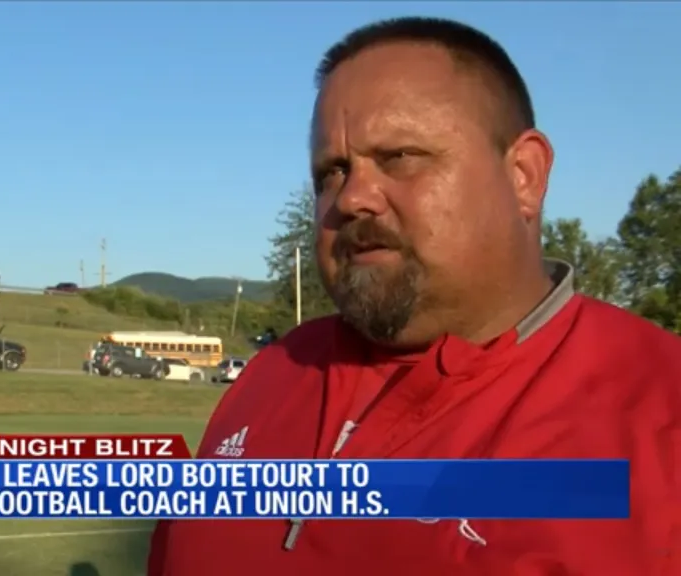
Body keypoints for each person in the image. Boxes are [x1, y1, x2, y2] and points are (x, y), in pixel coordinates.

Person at [147, 16, 681, 576]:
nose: (351, 198)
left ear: (524, 175)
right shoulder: (271, 374)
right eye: (331, 171)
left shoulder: (658, 417)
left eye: (399, 157)